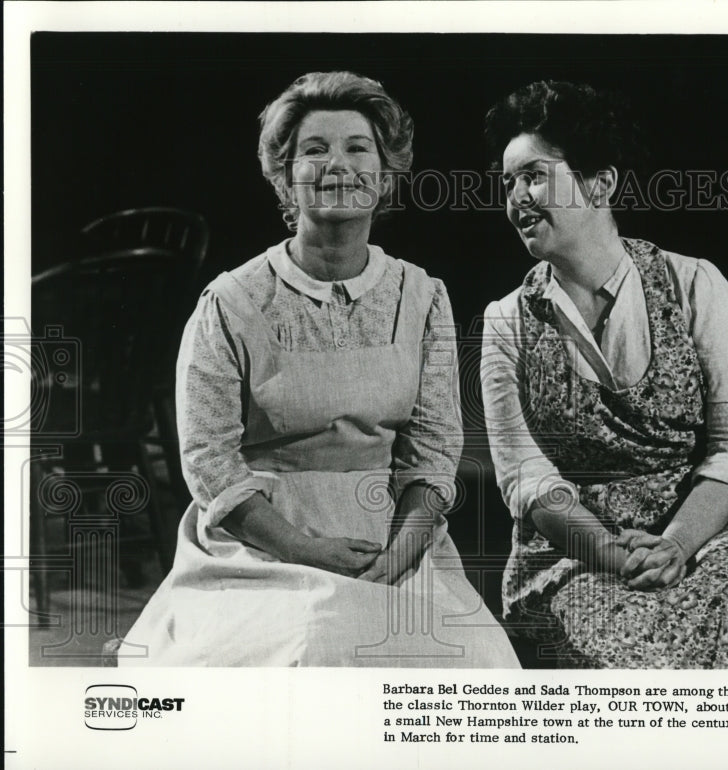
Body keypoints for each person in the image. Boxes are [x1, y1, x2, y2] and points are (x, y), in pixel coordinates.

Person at [120, 71, 518, 667]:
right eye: (314, 149)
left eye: (359, 148)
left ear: (386, 176)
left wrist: (402, 551)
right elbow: (208, 458)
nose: (339, 165)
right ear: (284, 176)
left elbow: (434, 449)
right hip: (260, 539)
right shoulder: (231, 301)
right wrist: (305, 549)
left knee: (475, 666)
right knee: (315, 644)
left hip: (393, 534)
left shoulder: (423, 296)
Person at [480, 80, 728, 668]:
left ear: (601, 183)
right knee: (637, 654)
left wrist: (675, 543)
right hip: (583, 546)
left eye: (535, 175)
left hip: (722, 519)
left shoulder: (695, 285)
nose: (517, 197)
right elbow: (529, 481)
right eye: (508, 182)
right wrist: (621, 558)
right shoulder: (505, 322)